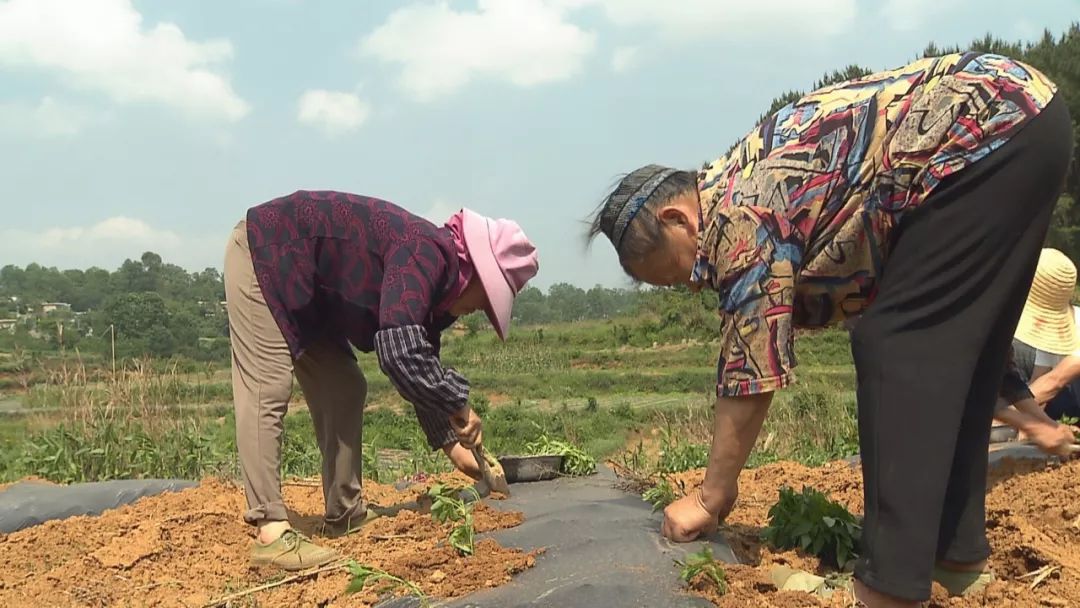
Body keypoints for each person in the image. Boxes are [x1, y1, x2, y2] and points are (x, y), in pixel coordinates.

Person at [587, 52, 1071, 607]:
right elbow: (964, 335)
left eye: (678, 271)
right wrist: (1026, 410)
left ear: (679, 220)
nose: (693, 284)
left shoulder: (739, 210)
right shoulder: (768, 186)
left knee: (895, 344)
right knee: (930, 339)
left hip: (985, 127)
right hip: (1025, 124)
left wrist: (710, 498)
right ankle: (956, 557)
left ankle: (888, 588)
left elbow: (751, 359)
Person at [224, 190, 538, 570]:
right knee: (267, 386)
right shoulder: (425, 253)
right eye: (485, 299)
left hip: (311, 292)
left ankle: (346, 514)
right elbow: (399, 351)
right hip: (268, 256)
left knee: (345, 386)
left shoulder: (437, 291)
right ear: (473, 271)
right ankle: (270, 530)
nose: (478, 310)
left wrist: (457, 451)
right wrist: (460, 402)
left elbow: (421, 367)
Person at [1011, 248, 1080, 419]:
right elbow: (1039, 380)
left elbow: (1054, 383)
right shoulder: (1053, 336)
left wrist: (1000, 416)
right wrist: (1027, 426)